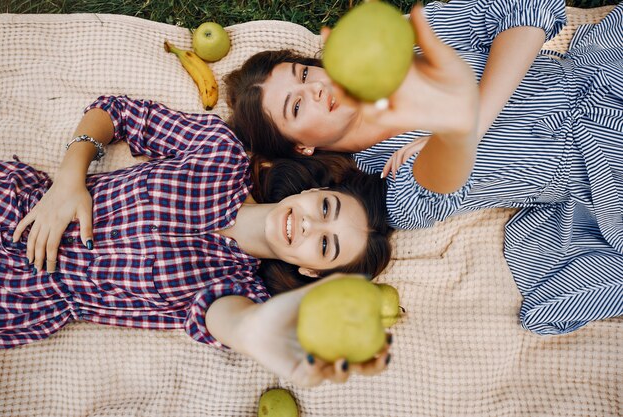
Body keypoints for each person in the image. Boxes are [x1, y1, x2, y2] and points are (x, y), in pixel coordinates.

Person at [225, 0, 623, 335]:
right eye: (295, 106)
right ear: (302, 147)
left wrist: (475, 116)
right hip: (605, 170)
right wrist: (450, 138)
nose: (314, 89)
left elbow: (525, 8)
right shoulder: (384, 189)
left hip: (602, 74)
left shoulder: (407, 51)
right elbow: (438, 183)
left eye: (305, 73)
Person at [0, 95, 393, 387]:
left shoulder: (242, 292)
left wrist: (257, 333)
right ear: (311, 191)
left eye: (325, 246)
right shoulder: (221, 153)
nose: (310, 225)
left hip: (19, 297)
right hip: (16, 205)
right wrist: (69, 179)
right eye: (325, 208)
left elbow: (227, 320)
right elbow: (117, 113)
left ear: (311, 270)